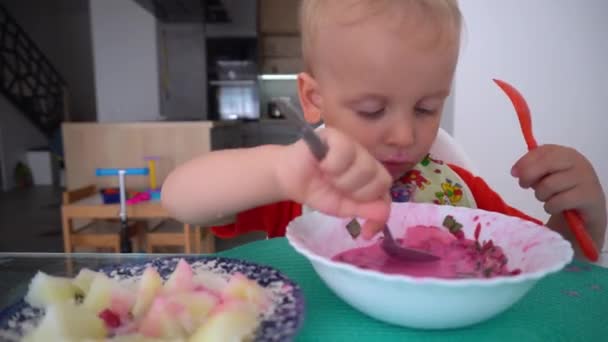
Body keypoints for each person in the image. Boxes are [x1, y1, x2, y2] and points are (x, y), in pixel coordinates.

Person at [161, 0, 606, 255]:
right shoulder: (304, 187)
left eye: (427, 108)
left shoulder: (457, 189)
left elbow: (546, 258)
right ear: (315, 100)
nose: (404, 136)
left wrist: (583, 216)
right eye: (372, 110)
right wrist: (278, 172)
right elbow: (180, 199)